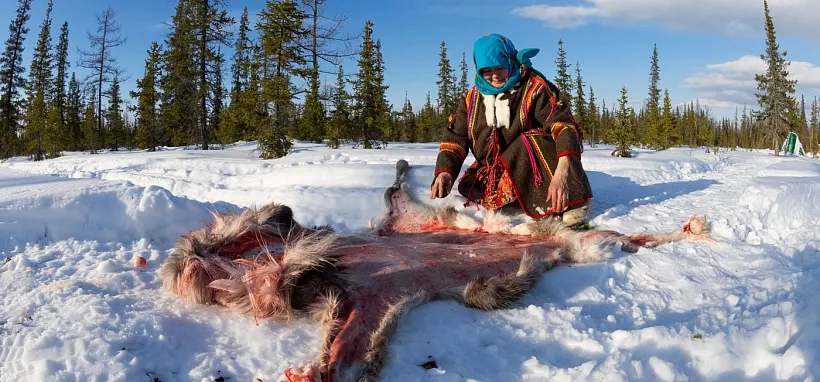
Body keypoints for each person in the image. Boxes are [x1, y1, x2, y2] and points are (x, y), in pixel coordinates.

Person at [429, 33, 593, 227]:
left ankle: (573, 201)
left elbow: (563, 125)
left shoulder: (535, 88)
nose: (495, 75)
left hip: (537, 165)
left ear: (510, 61)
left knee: (528, 141)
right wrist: (445, 172)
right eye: (487, 70)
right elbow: (456, 137)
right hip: (497, 169)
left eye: (500, 67)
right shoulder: (471, 98)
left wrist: (563, 172)